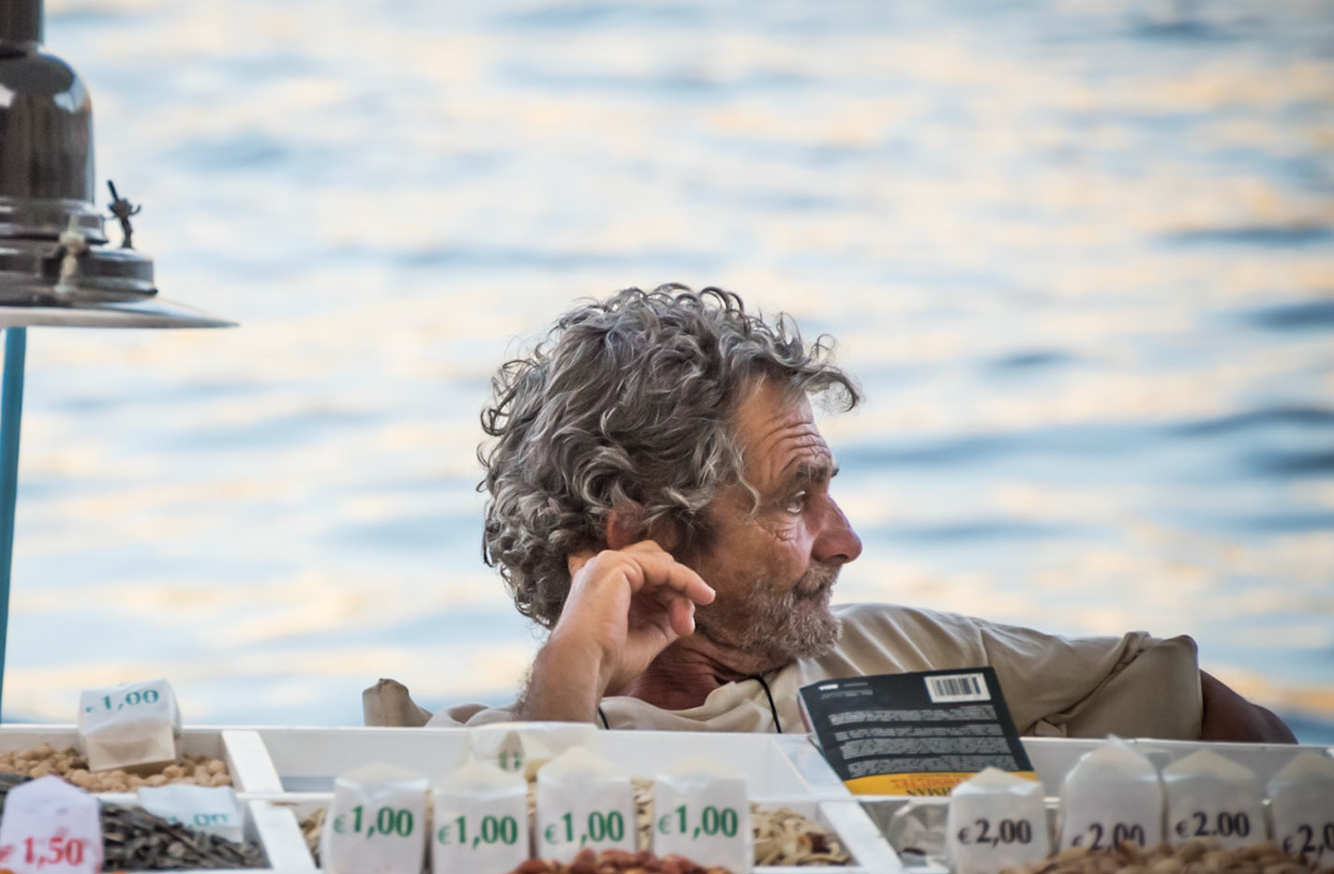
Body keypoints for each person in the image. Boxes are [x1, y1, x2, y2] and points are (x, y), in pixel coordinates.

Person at [412, 284, 1293, 742]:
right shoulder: (503, 741)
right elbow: (507, 871)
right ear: (649, 538)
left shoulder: (903, 653)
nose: (847, 540)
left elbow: (1218, 723)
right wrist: (575, 668)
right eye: (798, 499)